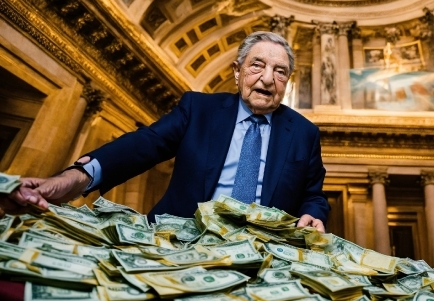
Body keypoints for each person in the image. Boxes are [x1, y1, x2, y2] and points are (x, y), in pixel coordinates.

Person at [5, 32, 329, 232]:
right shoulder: (198, 108)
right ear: (237, 71)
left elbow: (312, 195)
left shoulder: (304, 133)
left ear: (286, 82)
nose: (268, 78)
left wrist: (313, 214)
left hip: (261, 252)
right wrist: (75, 177)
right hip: (176, 240)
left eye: (280, 71)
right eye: (257, 65)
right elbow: (147, 143)